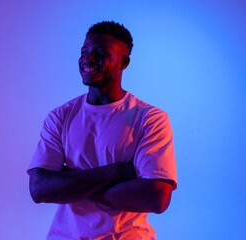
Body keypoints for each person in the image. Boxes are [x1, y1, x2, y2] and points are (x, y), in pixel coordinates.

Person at [27, 21, 177, 240]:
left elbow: (156, 198)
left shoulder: (150, 118)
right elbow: (39, 189)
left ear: (123, 62)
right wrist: (115, 172)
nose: (88, 59)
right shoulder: (60, 117)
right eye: (84, 52)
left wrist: (70, 182)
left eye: (100, 52)